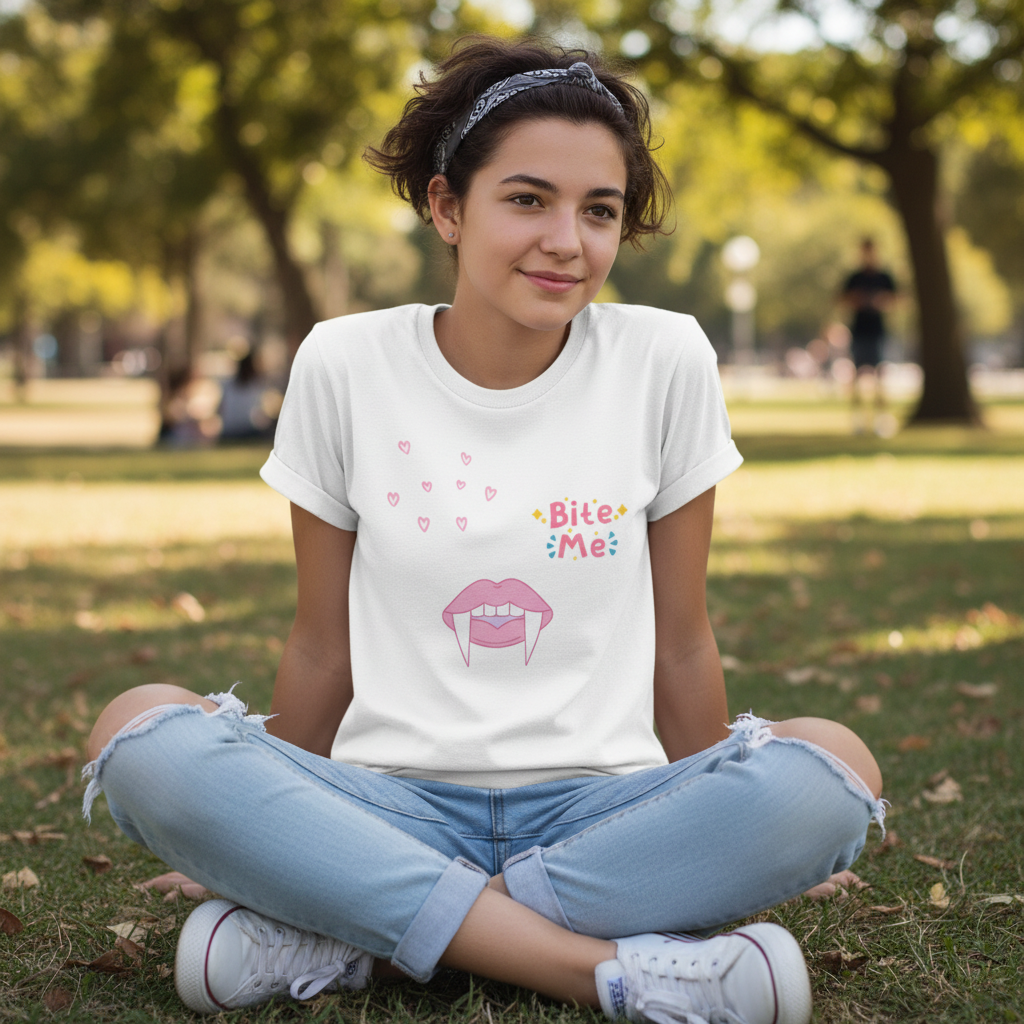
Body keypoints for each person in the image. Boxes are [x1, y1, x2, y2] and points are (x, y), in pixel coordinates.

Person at [83, 38, 884, 1024]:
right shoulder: (344, 363)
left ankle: (350, 928)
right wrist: (281, 823)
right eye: (526, 199)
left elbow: (682, 637)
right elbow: (319, 643)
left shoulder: (662, 358)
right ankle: (608, 973)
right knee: (139, 727)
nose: (567, 239)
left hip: (604, 813)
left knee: (832, 766)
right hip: (393, 806)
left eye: (598, 211)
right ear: (445, 207)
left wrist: (715, 825)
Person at [839, 238, 897, 434]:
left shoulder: (883, 277)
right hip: (859, 332)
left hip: (878, 332)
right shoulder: (855, 277)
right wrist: (858, 300)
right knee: (856, 377)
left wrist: (881, 301)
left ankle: (881, 420)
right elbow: (842, 298)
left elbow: (897, 298)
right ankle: (858, 422)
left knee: (880, 377)